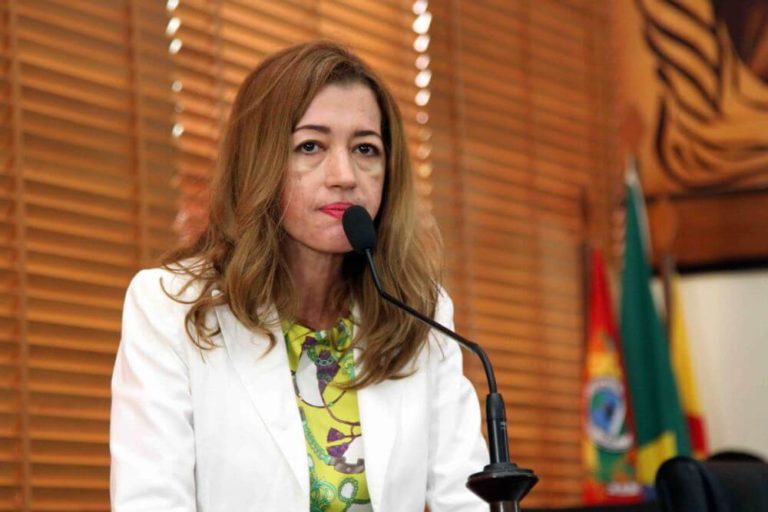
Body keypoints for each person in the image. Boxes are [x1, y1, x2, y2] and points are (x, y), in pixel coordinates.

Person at [110, 40, 488, 512]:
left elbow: (467, 499)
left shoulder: (418, 312)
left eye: (365, 149)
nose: (344, 175)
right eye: (310, 146)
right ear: (259, 161)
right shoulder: (171, 307)